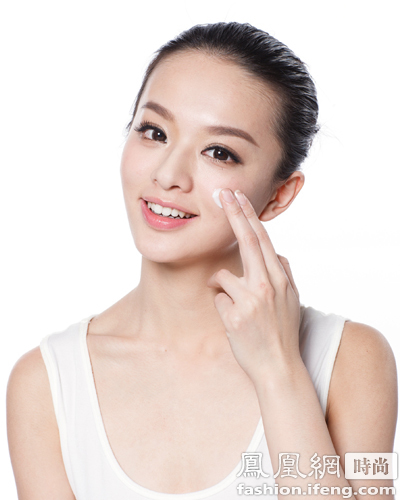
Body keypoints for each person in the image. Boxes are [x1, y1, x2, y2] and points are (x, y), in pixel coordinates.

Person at [6, 22, 397, 500]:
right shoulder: (48, 383)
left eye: (219, 152)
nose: (168, 174)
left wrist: (278, 371)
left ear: (279, 195)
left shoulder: (352, 361)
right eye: (154, 132)